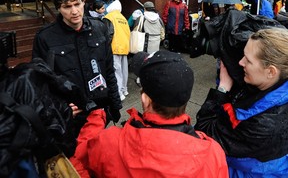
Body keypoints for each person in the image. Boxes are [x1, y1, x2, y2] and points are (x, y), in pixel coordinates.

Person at [69, 50, 229, 178]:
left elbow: (78, 162)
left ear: (145, 99)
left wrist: (96, 116)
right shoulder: (213, 153)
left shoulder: (110, 143)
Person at [32, 0, 122, 138]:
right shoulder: (45, 38)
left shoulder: (100, 28)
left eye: (77, 4)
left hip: (100, 114)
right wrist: (61, 109)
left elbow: (109, 71)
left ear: (83, 2)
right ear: (58, 8)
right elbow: (40, 84)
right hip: (70, 121)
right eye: (67, 6)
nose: (74, 11)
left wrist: (115, 107)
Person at [195, 28, 288, 177]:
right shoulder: (272, 87)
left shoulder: (263, 124)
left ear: (271, 72)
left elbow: (205, 134)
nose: (240, 62)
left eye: (248, 60)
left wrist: (222, 89)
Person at [104, 0, 130, 101]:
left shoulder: (109, 17)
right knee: (124, 71)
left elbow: (108, 34)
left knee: (116, 72)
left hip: (114, 47)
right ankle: (124, 89)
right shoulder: (123, 18)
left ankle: (119, 93)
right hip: (124, 47)